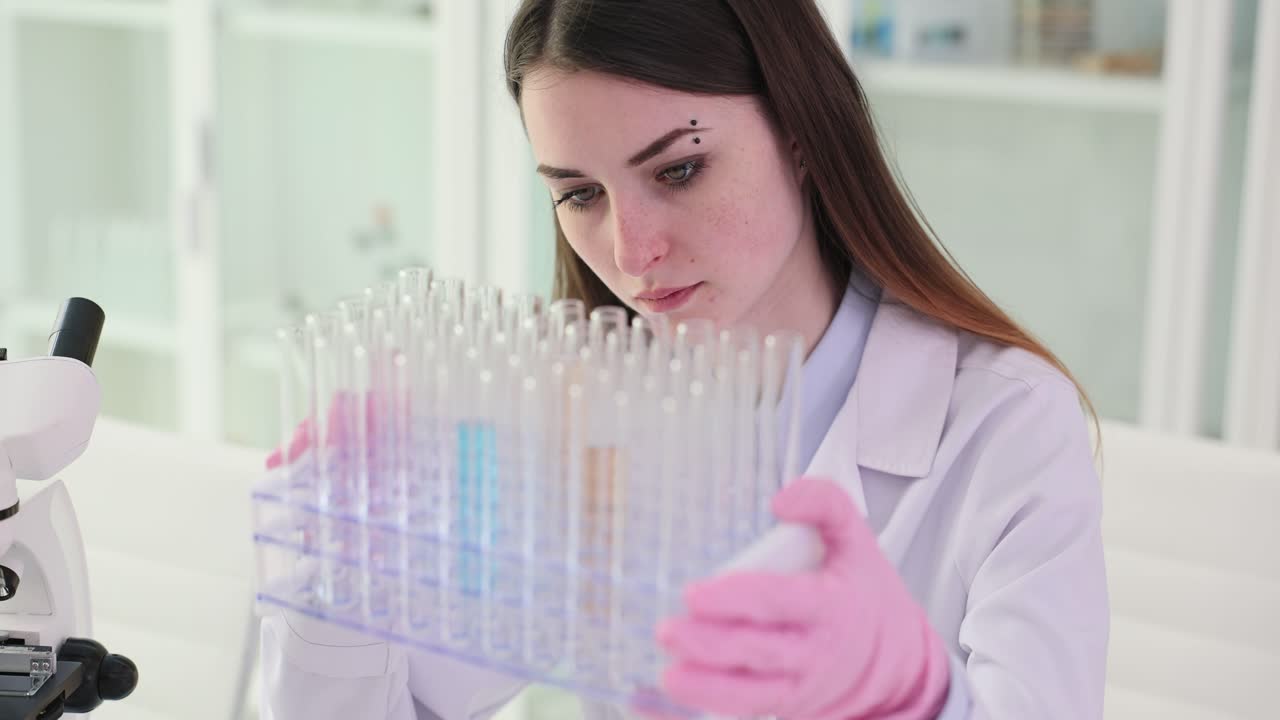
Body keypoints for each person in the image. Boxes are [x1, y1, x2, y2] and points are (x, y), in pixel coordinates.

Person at [259, 0, 1109, 718]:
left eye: (681, 169)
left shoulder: (1006, 425)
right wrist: (334, 592)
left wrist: (913, 694)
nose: (631, 253)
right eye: (580, 194)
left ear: (802, 134)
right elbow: (408, 702)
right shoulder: (576, 415)